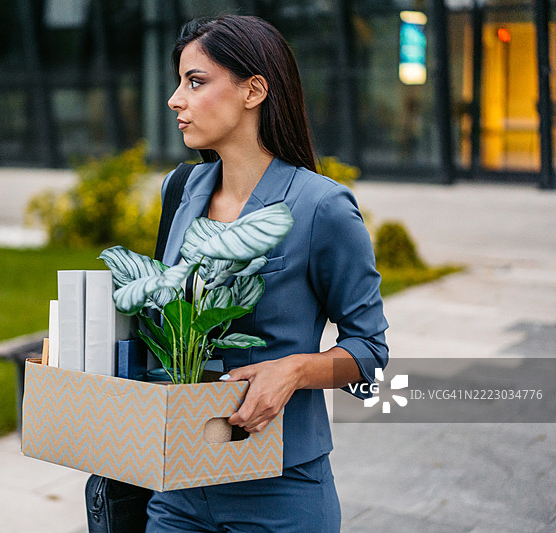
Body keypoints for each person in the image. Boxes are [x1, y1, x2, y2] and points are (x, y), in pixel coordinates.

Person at [148, 15, 389, 532]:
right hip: (179, 481)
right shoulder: (179, 190)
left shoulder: (320, 206)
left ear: (253, 90)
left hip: (279, 489)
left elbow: (370, 352)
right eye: (179, 82)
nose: (175, 99)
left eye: (196, 81)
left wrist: (294, 370)